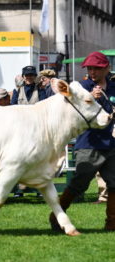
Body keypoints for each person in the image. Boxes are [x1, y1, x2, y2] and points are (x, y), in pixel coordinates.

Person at [49, 51, 115, 232]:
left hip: (111, 143)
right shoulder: (82, 87)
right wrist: (92, 98)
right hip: (89, 143)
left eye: (96, 68)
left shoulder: (114, 86)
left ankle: (112, 224)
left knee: (114, 183)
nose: (92, 72)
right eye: (90, 68)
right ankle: (57, 217)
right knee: (79, 184)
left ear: (106, 68)